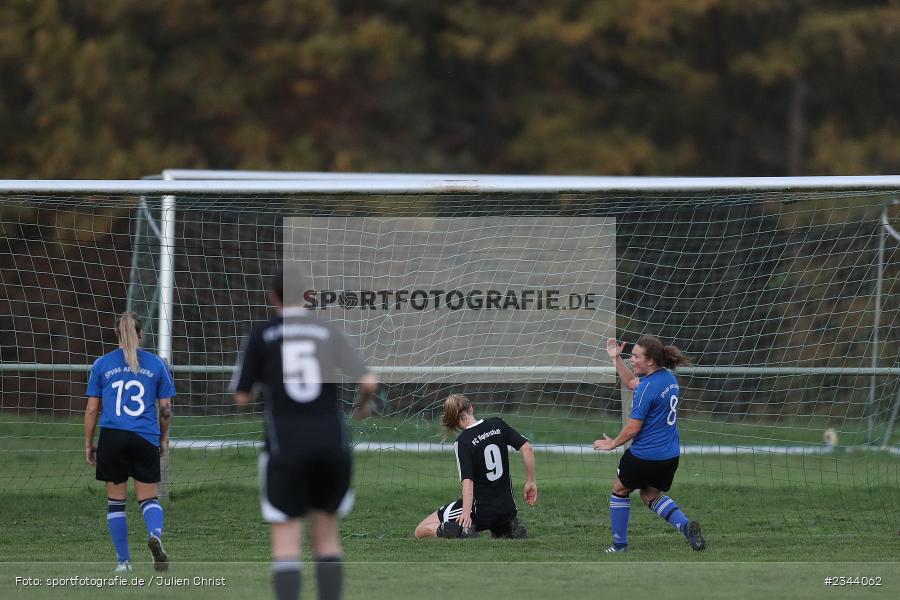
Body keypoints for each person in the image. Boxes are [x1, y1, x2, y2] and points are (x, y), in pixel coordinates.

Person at [231, 267, 377, 600]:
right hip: (331, 443)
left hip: (287, 445)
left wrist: (265, 387)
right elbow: (368, 381)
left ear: (272, 296)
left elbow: (241, 396)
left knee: (286, 542)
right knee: (326, 539)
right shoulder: (327, 330)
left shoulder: (262, 334)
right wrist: (363, 405)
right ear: (307, 296)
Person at [593, 335, 705, 553]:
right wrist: (616, 359)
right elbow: (631, 382)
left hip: (645, 456)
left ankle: (619, 546)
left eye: (635, 356)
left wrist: (613, 444)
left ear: (650, 360)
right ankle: (685, 526)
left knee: (619, 490)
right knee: (650, 495)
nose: (632, 360)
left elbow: (633, 428)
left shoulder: (647, 389)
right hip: (669, 456)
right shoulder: (669, 379)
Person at [84, 311, 175, 573]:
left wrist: (89, 444)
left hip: (112, 437)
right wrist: (163, 437)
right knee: (148, 499)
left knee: (116, 503)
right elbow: (166, 409)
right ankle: (155, 535)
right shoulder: (156, 364)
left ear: (116, 333)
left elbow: (91, 410)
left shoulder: (102, 364)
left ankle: (123, 563)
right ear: (141, 334)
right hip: (144, 436)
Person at [414, 394, 537, 539]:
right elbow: (527, 448)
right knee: (500, 516)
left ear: (454, 421)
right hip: (507, 510)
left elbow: (468, 481)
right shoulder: (497, 424)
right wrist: (531, 482)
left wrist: (466, 513)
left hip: (480, 513)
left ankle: (462, 532)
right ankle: (506, 527)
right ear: (471, 408)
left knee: (421, 530)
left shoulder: (463, 442)